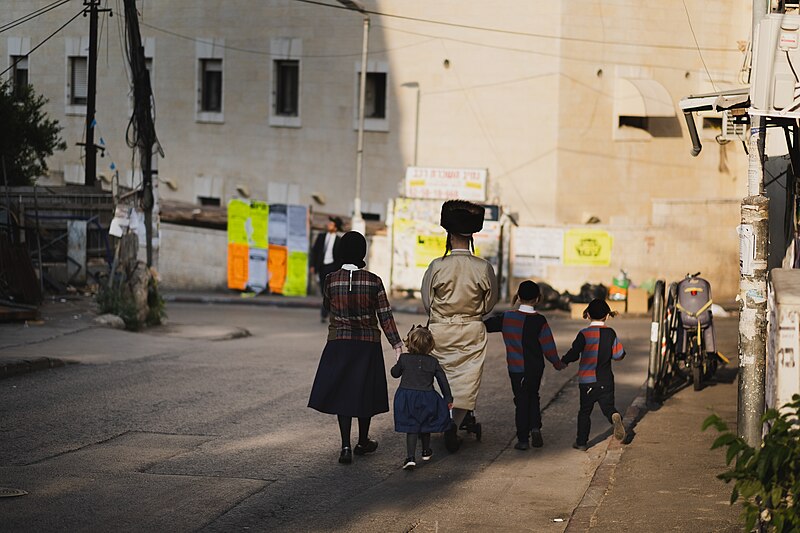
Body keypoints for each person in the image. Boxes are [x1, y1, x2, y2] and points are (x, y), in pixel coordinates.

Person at [308, 231, 404, 464]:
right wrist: (397, 343)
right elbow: (385, 315)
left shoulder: (331, 279)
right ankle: (362, 441)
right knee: (364, 392)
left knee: (342, 393)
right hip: (367, 345)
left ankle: (345, 446)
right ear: (363, 252)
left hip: (338, 344)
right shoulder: (374, 281)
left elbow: (328, 305)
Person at [421, 199, 498, 452]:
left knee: (442, 379)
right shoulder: (483, 267)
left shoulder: (437, 266)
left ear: (449, 234)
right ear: (472, 235)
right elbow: (490, 303)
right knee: (466, 381)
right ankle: (455, 422)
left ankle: (442, 419)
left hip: (440, 330)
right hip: (472, 330)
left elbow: (427, 301)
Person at [484, 280, 565, 451]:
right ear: (538, 298)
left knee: (521, 401)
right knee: (533, 396)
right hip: (535, 369)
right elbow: (548, 346)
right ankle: (535, 427)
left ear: (518, 297)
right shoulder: (540, 321)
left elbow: (486, 326)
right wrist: (557, 363)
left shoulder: (507, 318)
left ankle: (522, 440)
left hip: (516, 370)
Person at [560, 299, 627, 451]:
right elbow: (619, 355)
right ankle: (614, 416)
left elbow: (574, 353)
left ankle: (581, 442)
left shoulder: (583, 334)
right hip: (606, 381)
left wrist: (563, 361)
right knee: (608, 407)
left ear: (588, 315)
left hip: (587, 382)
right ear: (606, 316)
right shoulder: (610, 333)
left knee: (585, 412)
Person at [390, 325, 453, 470]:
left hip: (407, 397)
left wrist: (398, 362)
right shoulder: (433, 362)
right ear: (430, 345)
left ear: (410, 343)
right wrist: (448, 398)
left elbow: (394, 373)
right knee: (426, 424)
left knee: (411, 426)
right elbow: (442, 380)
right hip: (427, 397)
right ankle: (425, 451)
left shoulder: (404, 358)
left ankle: (410, 458)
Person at [310, 216, 343, 322]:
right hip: (322, 267)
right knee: (324, 291)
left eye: (331, 224)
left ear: (336, 227)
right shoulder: (321, 237)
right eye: (329, 224)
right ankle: (327, 310)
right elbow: (314, 252)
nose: (329, 225)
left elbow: (341, 257)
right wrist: (313, 265)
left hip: (333, 267)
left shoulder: (339, 240)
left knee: (330, 291)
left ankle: (325, 313)